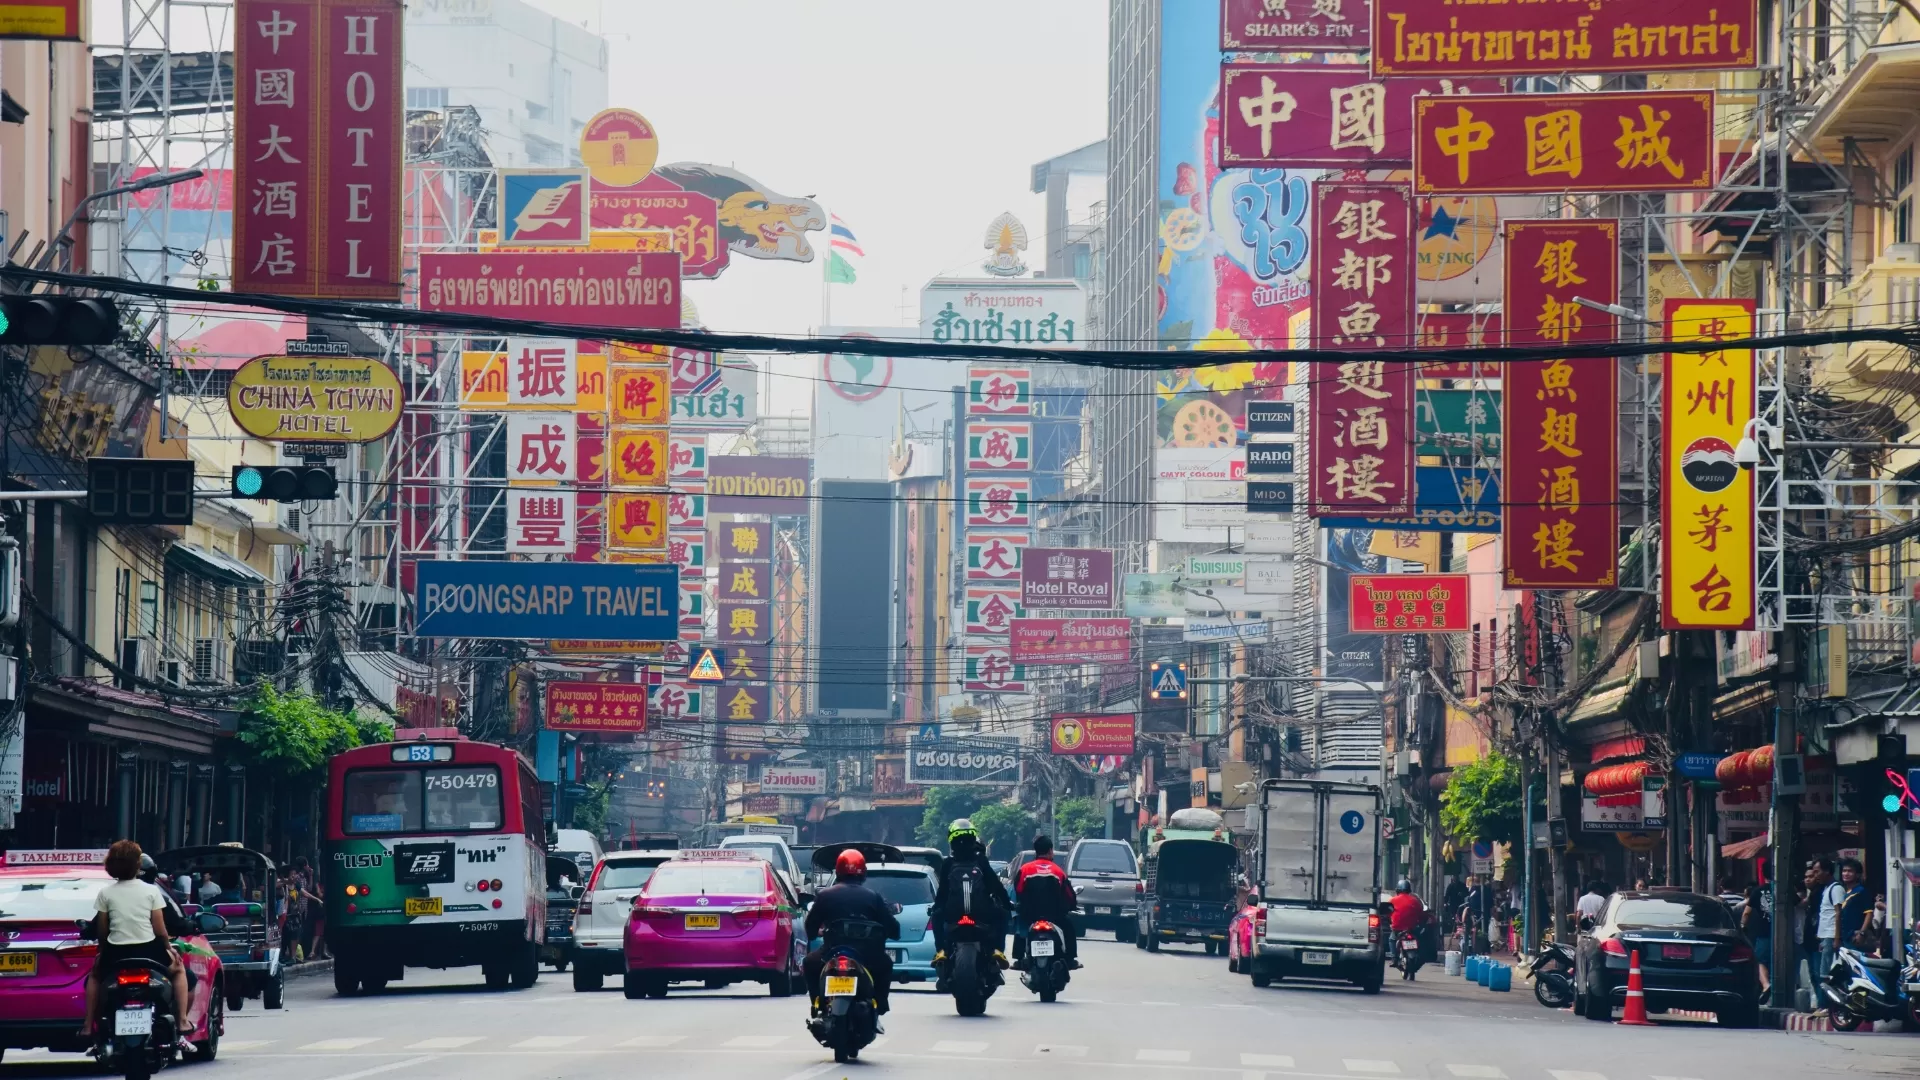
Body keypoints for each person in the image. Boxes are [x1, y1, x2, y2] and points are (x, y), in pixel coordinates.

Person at [84, 842, 191, 1049]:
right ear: (137, 865)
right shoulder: (151, 891)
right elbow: (160, 930)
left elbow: (102, 931)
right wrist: (169, 948)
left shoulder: (106, 893)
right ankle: (183, 1022)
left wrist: (103, 953)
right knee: (178, 971)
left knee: (95, 976)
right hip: (150, 950)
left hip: (116, 953)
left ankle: (88, 1025)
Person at [802, 849, 899, 1020]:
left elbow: (810, 928)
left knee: (809, 963)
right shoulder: (873, 897)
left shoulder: (825, 895)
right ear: (863, 873)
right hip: (867, 956)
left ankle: (817, 1003)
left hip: (832, 952)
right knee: (885, 964)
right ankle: (881, 1003)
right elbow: (893, 928)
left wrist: (815, 933)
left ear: (838, 871)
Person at [931, 818, 1012, 982]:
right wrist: (1007, 903)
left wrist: (936, 908)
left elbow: (942, 893)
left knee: (936, 916)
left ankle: (941, 951)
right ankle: (997, 949)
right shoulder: (980, 860)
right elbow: (995, 885)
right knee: (1002, 914)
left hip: (953, 914)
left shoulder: (948, 863)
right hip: (981, 912)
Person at [1011, 835, 1079, 968]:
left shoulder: (1025, 869)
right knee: (1069, 926)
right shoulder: (1058, 871)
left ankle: (1018, 959)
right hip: (1054, 916)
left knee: (1020, 927)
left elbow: (1018, 890)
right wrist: (1072, 906)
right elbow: (1069, 895)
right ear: (1050, 851)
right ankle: (1071, 959)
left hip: (1029, 914)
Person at [1810, 857, 1842, 980]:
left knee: (1826, 974)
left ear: (1827, 871)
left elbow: (1838, 913)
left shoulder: (1836, 889)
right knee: (1823, 972)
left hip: (1831, 935)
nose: (1815, 875)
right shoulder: (1826, 889)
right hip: (1825, 936)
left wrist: (1836, 938)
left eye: (1817, 871)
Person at [1740, 882, 1772, 1001]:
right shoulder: (1785, 888)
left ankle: (1766, 985)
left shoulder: (1758, 891)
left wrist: (1742, 927)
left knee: (1760, 961)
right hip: (1786, 934)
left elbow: (1746, 913)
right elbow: (1800, 904)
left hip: (1763, 933)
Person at [1834, 860, 1872, 953]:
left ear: (1858, 875)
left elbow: (1869, 913)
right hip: (1845, 937)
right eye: (1844, 871)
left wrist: (1862, 933)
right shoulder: (1846, 893)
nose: (1846, 874)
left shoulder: (1861, 891)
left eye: (1850, 871)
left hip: (1855, 937)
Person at [1388, 879, 1425, 965]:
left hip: (1397, 928)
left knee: (1392, 939)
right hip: (1412, 928)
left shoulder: (1392, 900)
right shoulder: (1415, 901)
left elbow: (1387, 913)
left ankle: (1394, 958)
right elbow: (1421, 913)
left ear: (1398, 890)